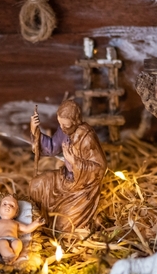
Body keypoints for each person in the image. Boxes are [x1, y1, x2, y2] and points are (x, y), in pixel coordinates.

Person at [29, 99, 107, 233]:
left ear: (76, 122)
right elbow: (51, 148)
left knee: (63, 226)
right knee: (36, 184)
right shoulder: (64, 130)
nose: (62, 128)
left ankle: (58, 223)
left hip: (81, 187)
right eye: (60, 124)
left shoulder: (87, 137)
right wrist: (35, 130)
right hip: (65, 177)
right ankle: (37, 221)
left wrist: (75, 162)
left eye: (65, 125)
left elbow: (100, 167)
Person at [0, 195, 45, 264]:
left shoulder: (15, 223)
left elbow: (27, 229)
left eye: (12, 205)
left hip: (14, 239)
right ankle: (8, 255)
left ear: (16, 213)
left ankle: (14, 256)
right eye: (4, 204)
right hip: (0, 239)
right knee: (3, 243)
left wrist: (36, 223)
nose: (8, 206)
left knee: (18, 243)